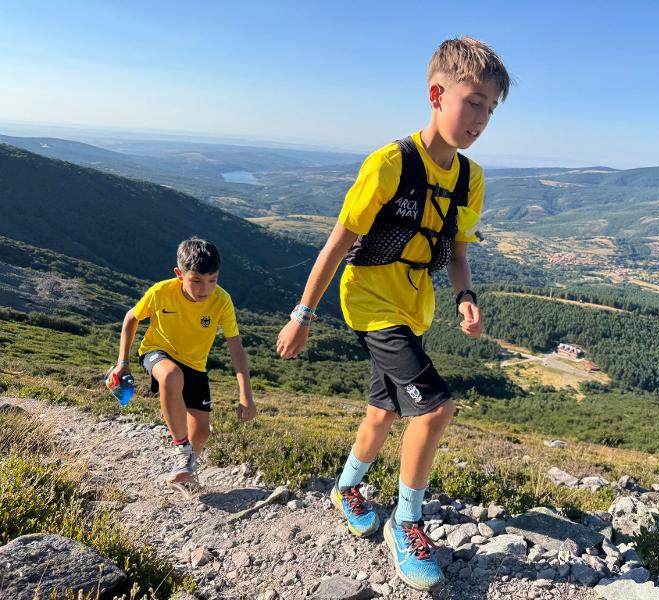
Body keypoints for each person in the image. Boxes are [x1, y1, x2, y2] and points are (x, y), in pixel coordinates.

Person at [276, 37, 510, 591]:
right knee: (435, 409)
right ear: (436, 94)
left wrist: (464, 297)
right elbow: (338, 243)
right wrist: (302, 315)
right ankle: (406, 524)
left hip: (414, 308)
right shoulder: (389, 164)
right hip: (369, 303)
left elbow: (457, 253)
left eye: (490, 109)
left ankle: (347, 488)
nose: (481, 119)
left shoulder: (470, 178)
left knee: (383, 413)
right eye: (473, 102)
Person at [112, 237, 256, 485]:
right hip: (157, 351)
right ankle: (181, 448)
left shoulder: (222, 300)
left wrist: (246, 395)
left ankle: (186, 471)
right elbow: (131, 318)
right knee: (171, 375)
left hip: (195, 365)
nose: (205, 289)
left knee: (201, 433)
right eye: (196, 281)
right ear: (179, 274)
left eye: (212, 280)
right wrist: (122, 362)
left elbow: (236, 348)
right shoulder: (160, 292)